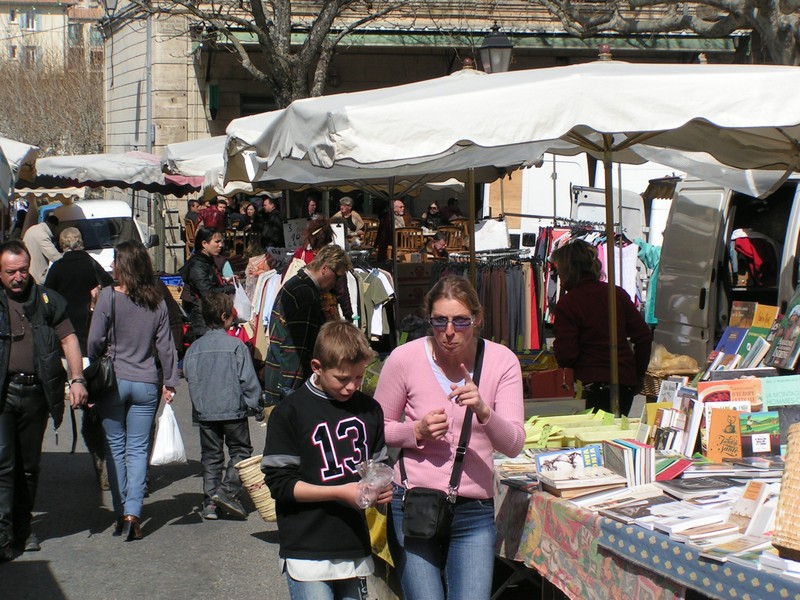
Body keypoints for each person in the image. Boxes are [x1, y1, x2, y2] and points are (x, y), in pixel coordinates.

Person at [374, 275, 525, 600]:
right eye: (440, 321)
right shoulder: (404, 358)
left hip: (473, 510)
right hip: (414, 503)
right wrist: (414, 431)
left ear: (478, 319)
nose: (450, 332)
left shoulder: (502, 362)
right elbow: (374, 427)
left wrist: (484, 411)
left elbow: (513, 444)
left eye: (461, 321)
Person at [262, 320, 391, 600]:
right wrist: (340, 492)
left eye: (358, 377)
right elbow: (280, 485)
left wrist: (383, 488)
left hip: (353, 545)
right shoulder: (290, 412)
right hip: (306, 547)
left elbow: (381, 465)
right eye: (342, 379)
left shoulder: (370, 410)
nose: (351, 387)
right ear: (317, 367)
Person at [0, 240, 87, 560]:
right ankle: (4, 532)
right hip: (3, 394)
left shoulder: (48, 300)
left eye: (23, 270)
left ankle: (24, 528)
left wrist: (77, 378)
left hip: (36, 393)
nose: (19, 277)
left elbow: (68, 338)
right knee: (3, 464)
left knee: (29, 467)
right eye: (11, 272)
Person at [87, 241, 178, 541]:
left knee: (115, 448)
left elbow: (94, 342)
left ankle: (120, 512)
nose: (111, 266)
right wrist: (171, 381)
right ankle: (133, 514)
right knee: (138, 450)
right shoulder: (158, 302)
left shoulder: (108, 298)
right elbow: (166, 346)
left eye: (115, 261)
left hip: (113, 381)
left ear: (123, 266)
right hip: (146, 381)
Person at [549, 239, 653, 417]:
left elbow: (567, 354)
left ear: (569, 270)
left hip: (591, 383)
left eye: (559, 271)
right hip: (623, 381)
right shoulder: (616, 294)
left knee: (595, 438)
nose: (557, 276)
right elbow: (643, 336)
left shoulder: (569, 303)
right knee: (614, 437)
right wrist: (638, 374)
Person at [44, 228, 114, 490]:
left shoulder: (57, 268)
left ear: (62, 244)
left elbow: (46, 299)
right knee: (99, 405)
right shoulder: (91, 263)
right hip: (91, 340)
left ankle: (100, 461)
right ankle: (108, 462)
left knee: (86, 407)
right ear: (81, 243)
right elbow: (108, 286)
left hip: (67, 343)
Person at [183, 292, 261, 521]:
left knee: (211, 455)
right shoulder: (236, 346)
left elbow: (189, 376)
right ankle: (226, 490)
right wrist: (254, 405)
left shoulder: (194, 348)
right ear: (225, 316)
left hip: (205, 411)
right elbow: (248, 379)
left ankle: (209, 502)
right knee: (241, 451)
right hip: (233, 410)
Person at [263, 245, 352, 405]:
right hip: (289, 385)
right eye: (337, 277)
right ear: (325, 269)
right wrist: (292, 392)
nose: (337, 283)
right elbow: (296, 351)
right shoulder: (306, 296)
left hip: (280, 377)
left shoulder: (297, 283)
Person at [291, 218, 353, 322]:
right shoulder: (333, 258)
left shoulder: (300, 255)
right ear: (329, 236)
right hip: (326, 314)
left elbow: (284, 278)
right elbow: (342, 292)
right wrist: (349, 316)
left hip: (300, 310)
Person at [180, 228, 235, 339]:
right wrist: (228, 288)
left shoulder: (208, 261)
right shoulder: (197, 265)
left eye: (221, 242)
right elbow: (207, 292)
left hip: (212, 316)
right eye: (217, 242)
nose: (221, 245)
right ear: (204, 244)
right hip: (203, 321)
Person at [22, 214, 62, 284]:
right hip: (37, 277)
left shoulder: (33, 229)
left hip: (29, 273)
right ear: (53, 226)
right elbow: (54, 256)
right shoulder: (42, 235)